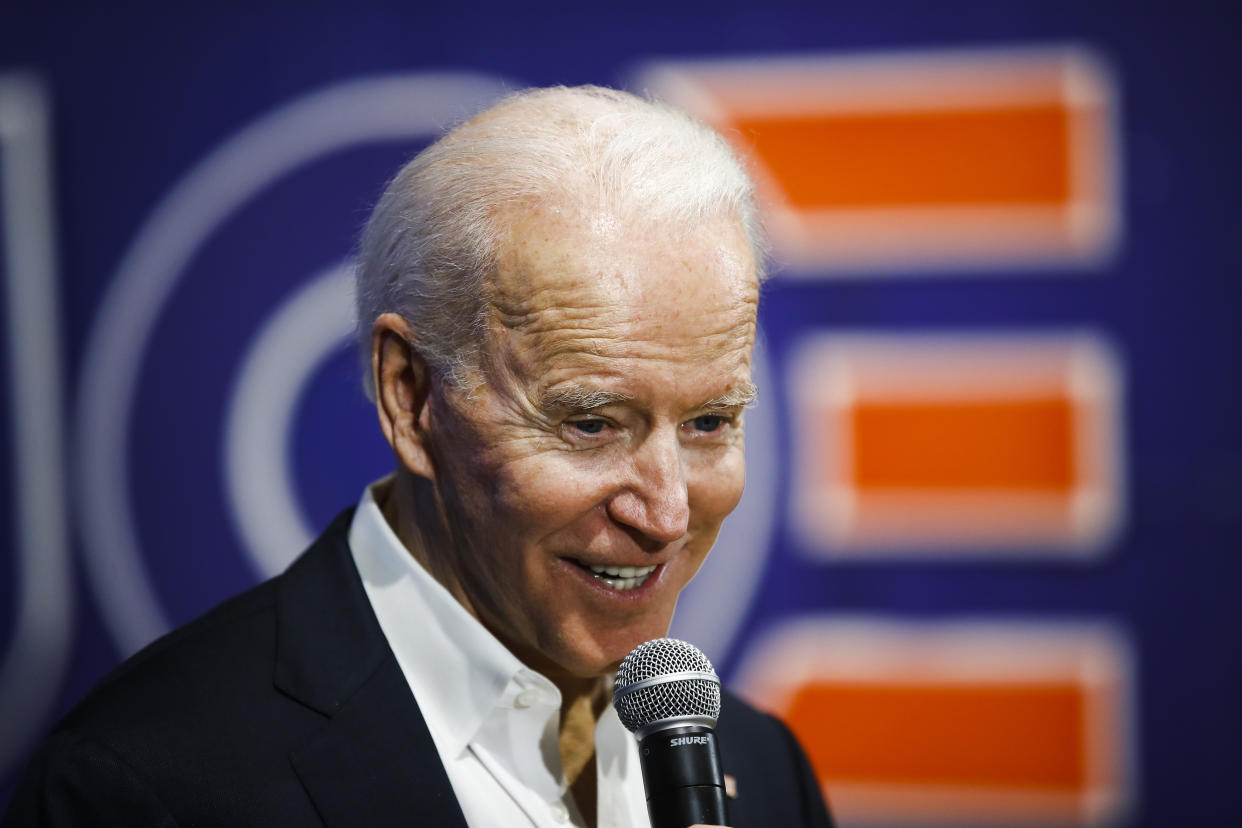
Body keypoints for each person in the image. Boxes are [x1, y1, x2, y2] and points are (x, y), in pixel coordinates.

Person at [4, 86, 832, 827]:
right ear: (409, 395)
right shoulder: (144, 789)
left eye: (711, 422)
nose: (667, 513)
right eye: (591, 424)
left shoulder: (762, 772)